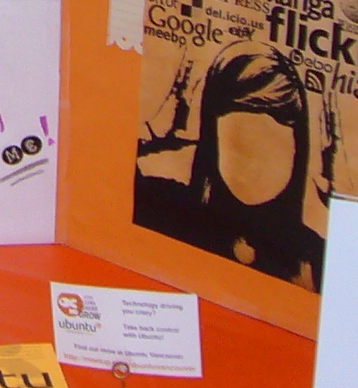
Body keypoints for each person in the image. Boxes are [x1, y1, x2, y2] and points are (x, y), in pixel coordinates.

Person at [133, 45, 327, 287]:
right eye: (239, 144)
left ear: (297, 149)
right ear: (213, 146)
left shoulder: (317, 259)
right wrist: (148, 136)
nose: (253, 167)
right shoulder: (172, 211)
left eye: (268, 146)